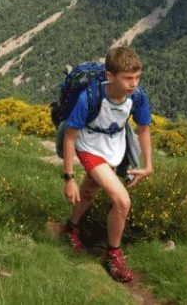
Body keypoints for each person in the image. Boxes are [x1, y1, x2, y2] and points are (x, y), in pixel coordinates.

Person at [61, 46, 153, 283]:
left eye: (137, 77)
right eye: (128, 78)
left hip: (114, 146)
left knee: (90, 191)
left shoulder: (137, 97)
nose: (133, 84)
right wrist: (69, 179)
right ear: (110, 76)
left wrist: (148, 164)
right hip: (89, 146)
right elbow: (71, 137)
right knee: (122, 201)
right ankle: (113, 254)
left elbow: (144, 129)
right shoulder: (89, 97)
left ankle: (71, 228)